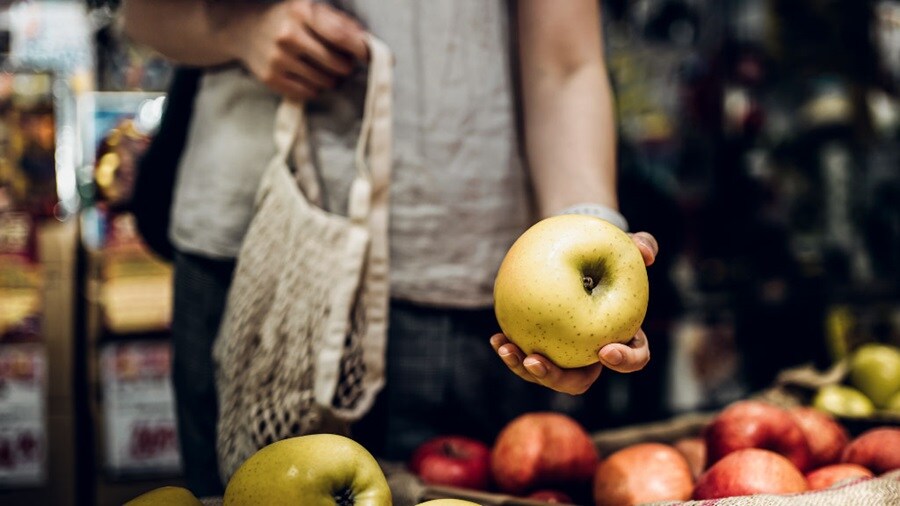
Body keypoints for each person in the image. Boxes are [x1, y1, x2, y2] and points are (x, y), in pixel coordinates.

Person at [121, 0, 659, 497]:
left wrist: (593, 227)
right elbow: (144, 15)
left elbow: (564, 67)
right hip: (254, 275)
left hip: (464, 289)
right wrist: (239, 31)